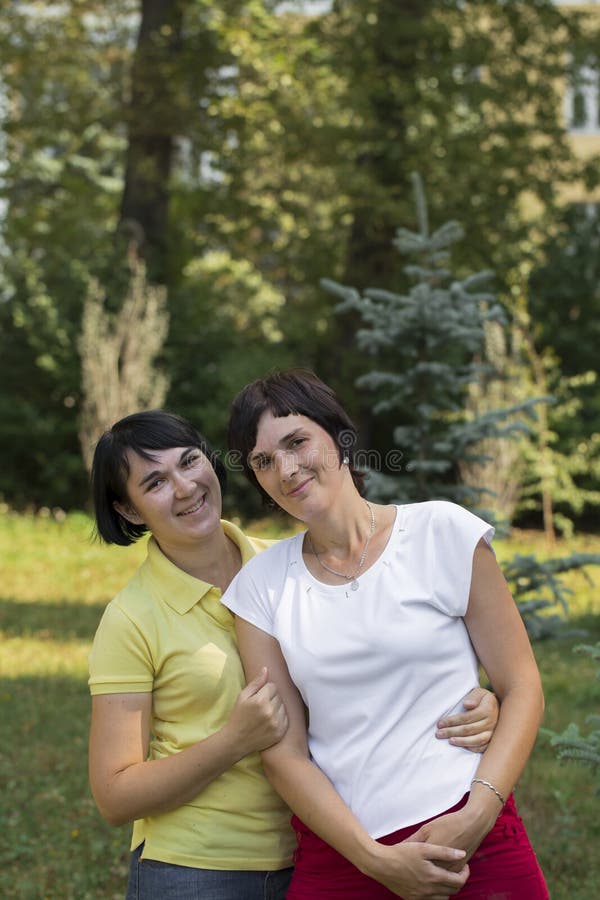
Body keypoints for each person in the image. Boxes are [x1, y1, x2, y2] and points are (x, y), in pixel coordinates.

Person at [87, 409, 498, 900]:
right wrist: (234, 740)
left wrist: (474, 701)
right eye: (154, 482)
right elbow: (114, 795)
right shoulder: (130, 618)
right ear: (129, 510)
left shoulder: (289, 568)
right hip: (196, 870)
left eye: (190, 461)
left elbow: (368, 673)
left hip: (318, 852)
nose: (184, 487)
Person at [223, 369, 549, 900]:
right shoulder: (259, 587)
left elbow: (523, 685)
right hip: (343, 855)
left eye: (297, 442)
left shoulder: (443, 532)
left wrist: (477, 814)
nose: (285, 469)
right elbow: (284, 754)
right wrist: (375, 860)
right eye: (263, 461)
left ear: (340, 438)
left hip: (471, 838)